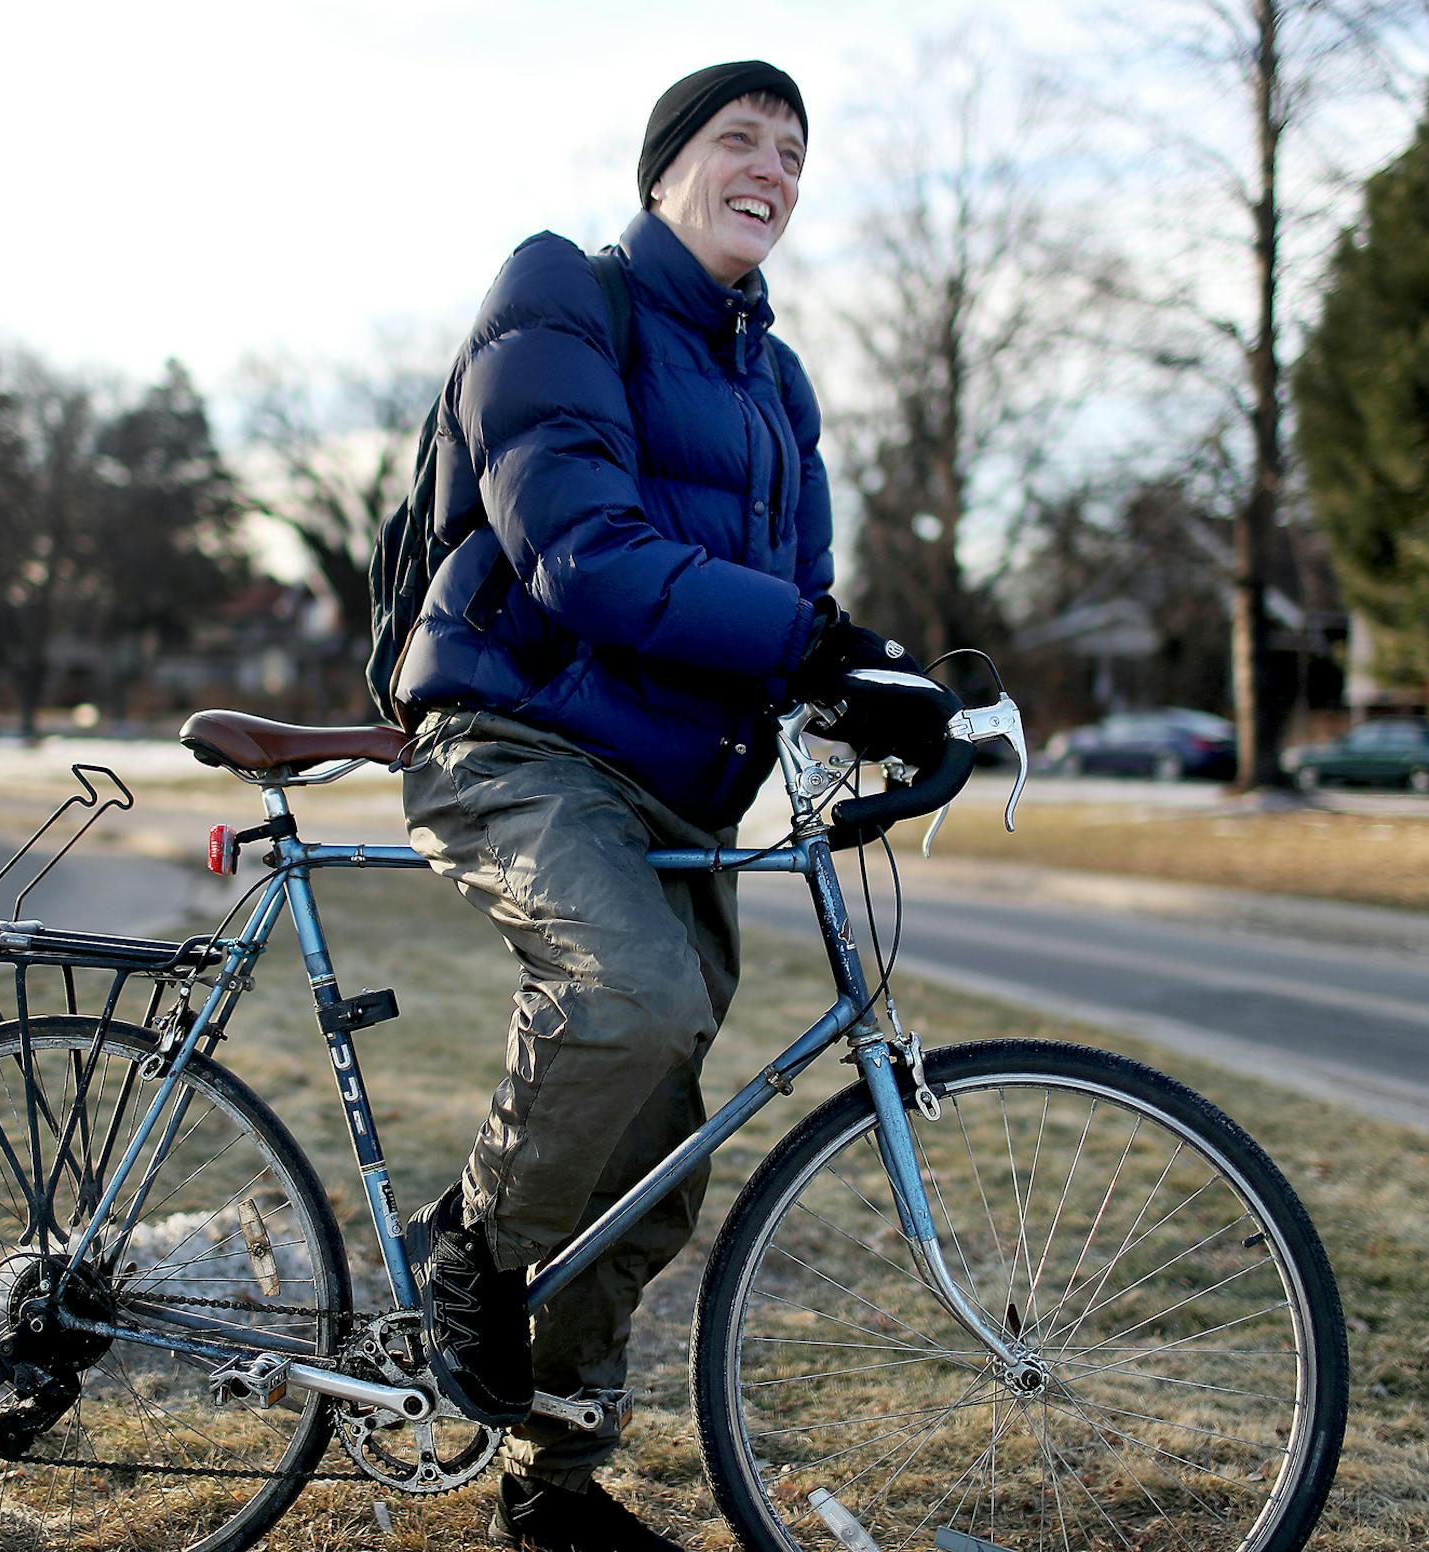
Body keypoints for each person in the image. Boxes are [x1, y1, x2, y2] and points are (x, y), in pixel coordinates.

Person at [394, 61, 904, 1552]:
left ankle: (549, 1490)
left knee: (654, 1151)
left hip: (673, 785)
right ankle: (469, 1257)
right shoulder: (561, 293)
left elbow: (788, 604)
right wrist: (806, 641)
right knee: (626, 993)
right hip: (517, 736)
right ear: (664, 171)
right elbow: (581, 549)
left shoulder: (776, 380)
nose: (771, 168)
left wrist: (876, 693)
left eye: (793, 152)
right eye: (738, 140)